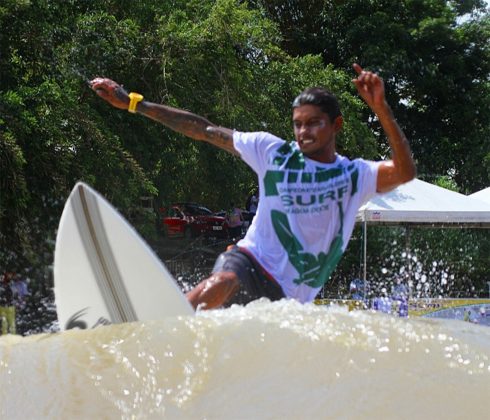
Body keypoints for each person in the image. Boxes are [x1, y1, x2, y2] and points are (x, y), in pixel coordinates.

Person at [90, 63, 416, 310]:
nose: (303, 132)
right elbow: (204, 129)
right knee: (224, 281)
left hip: (289, 300)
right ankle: (164, 327)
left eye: (314, 122)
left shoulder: (353, 176)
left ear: (336, 125)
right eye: (298, 124)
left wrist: (381, 110)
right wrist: (134, 103)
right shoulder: (272, 152)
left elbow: (404, 172)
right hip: (251, 259)